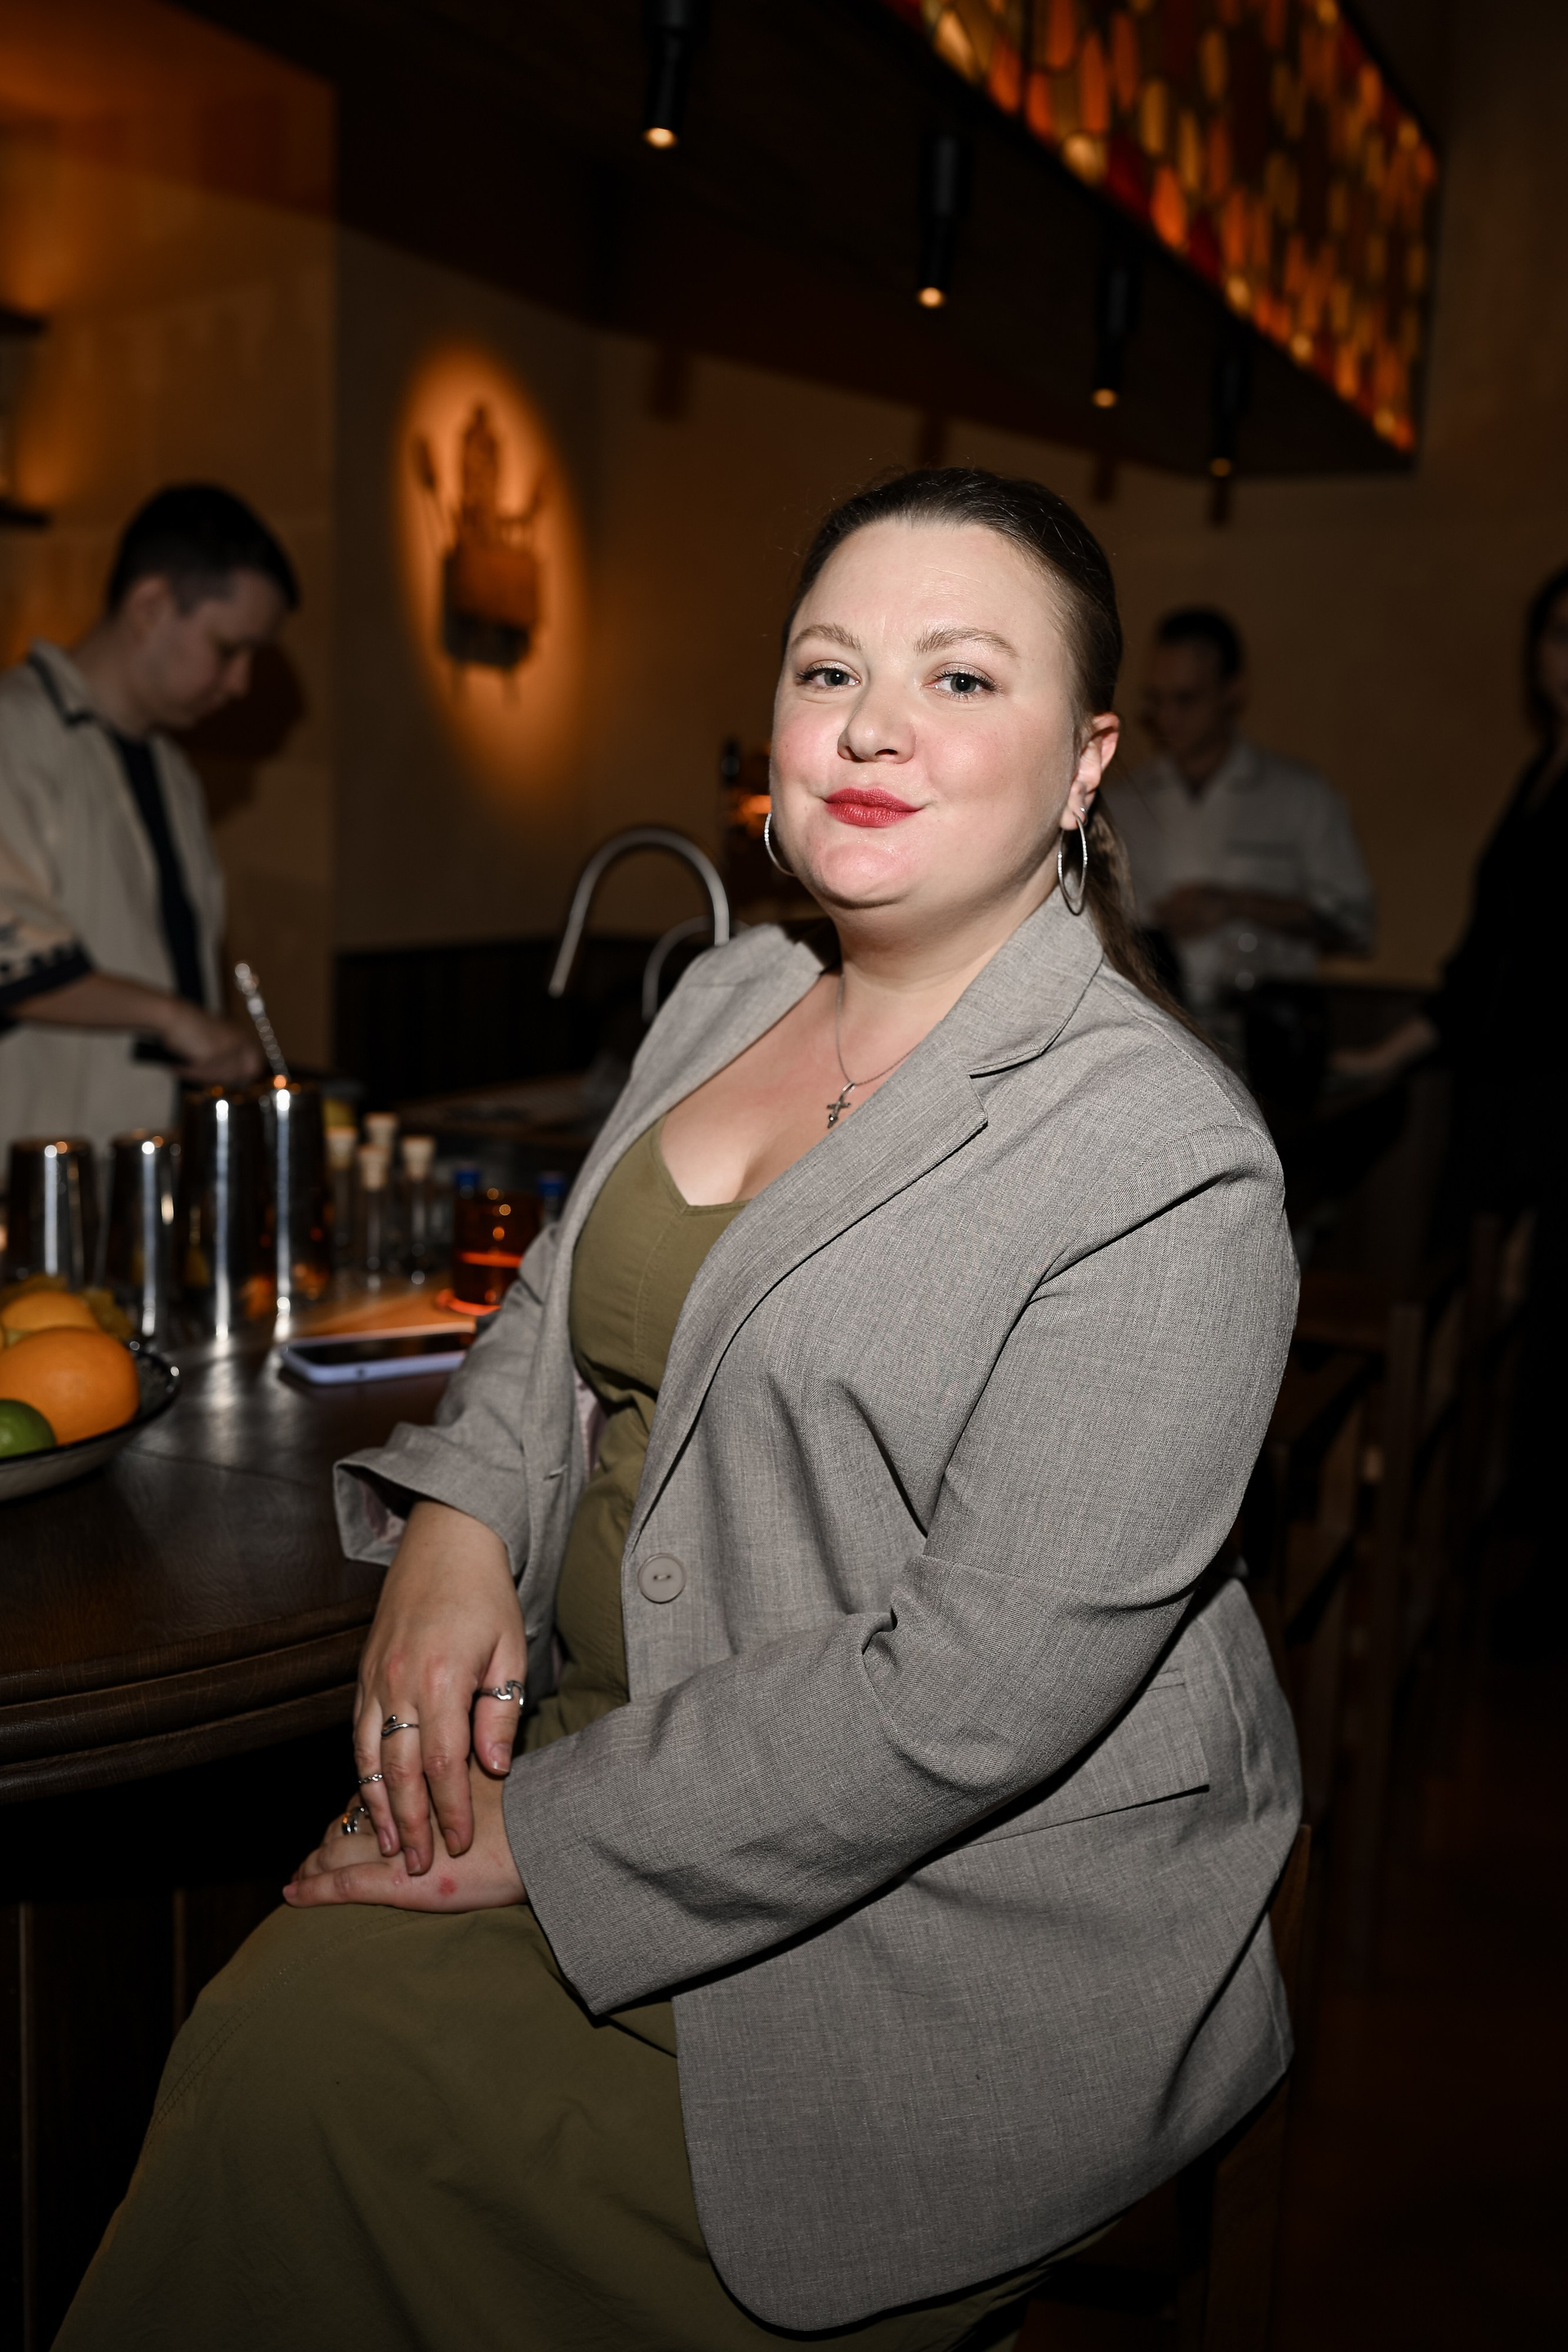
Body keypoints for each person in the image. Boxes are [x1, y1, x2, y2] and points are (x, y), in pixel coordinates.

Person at [60, 470, 1301, 2352]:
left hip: (921, 1911)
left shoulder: (1163, 1160)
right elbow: (553, 1307)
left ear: (1086, 763)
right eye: (829, 669)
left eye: (963, 678)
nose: (871, 726)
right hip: (601, 1730)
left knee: (303, 2081)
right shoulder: (732, 990)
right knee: (265, 2038)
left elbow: (972, 1698)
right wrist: (461, 1521)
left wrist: (543, 1837)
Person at [1334, 562, 1568, 1643]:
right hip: (1498, 1095)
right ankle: (1454, 1556)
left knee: (1531, 1327)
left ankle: (1518, 1575)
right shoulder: (1539, 774)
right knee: (1472, 1320)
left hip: (1555, 1104)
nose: (1566, 655)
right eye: (1556, 633)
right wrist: (1386, 1057)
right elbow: (1486, 969)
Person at [0, 483, 298, 1172]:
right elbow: (13, 954)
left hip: (144, 1178)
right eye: (230, 649)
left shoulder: (174, 770)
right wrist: (175, 1018)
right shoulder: (15, 732)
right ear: (151, 607)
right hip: (33, 1186)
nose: (242, 683)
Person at [1105, 606, 1375, 1051]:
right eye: (1156, 700)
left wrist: (1238, 904)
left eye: (1186, 699)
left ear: (1233, 691)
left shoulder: (1300, 796)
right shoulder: (1118, 804)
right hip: (1152, 1039)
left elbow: (1355, 924)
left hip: (1269, 1041)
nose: (1168, 717)